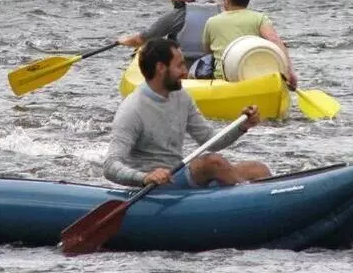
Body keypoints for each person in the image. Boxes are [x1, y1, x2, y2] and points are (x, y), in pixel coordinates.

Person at [103, 38, 271, 188]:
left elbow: (210, 141)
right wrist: (145, 177)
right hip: (152, 188)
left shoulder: (181, 96)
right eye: (180, 65)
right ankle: (247, 202)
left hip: (178, 176)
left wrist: (243, 126)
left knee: (257, 169)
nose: (185, 71)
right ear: (161, 68)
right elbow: (110, 166)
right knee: (213, 163)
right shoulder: (132, 110)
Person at [201, 0, 297, 88]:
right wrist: (289, 71)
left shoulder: (211, 22)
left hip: (223, 78)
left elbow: (207, 50)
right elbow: (275, 40)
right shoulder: (259, 18)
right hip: (254, 77)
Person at [118, 0, 218, 66]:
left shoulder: (175, 16)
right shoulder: (213, 9)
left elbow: (141, 39)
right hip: (209, 64)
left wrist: (122, 40)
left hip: (183, 67)